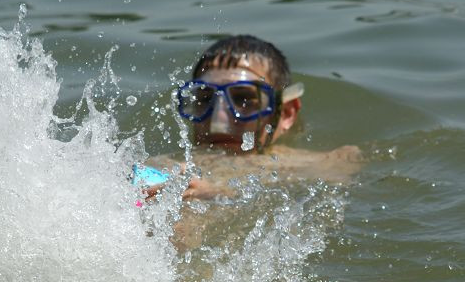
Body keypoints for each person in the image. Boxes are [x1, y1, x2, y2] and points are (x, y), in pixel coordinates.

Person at [146, 35, 362, 200]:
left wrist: (219, 194)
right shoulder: (163, 166)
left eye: (244, 99)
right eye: (204, 99)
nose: (218, 121)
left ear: (286, 113)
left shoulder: (330, 163)